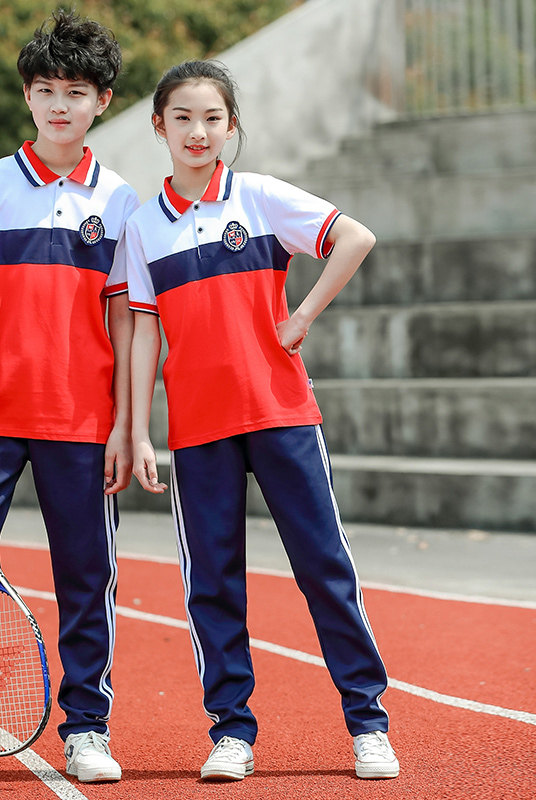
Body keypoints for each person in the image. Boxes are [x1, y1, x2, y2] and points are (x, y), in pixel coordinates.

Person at [125, 60, 399, 782]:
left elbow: (355, 237)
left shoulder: (261, 197)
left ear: (231, 126)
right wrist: (139, 429)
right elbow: (144, 331)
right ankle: (231, 732)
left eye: (212, 118)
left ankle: (368, 724)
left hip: (281, 414)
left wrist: (302, 315)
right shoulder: (142, 226)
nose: (197, 131)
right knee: (212, 584)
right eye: (182, 117)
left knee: (324, 568)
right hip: (198, 429)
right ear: (159, 126)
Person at [0, 10, 138, 788]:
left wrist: (125, 424)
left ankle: (87, 728)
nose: (58, 105)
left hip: (83, 421)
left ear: (102, 101)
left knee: (87, 575)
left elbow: (125, 320)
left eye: (75, 92)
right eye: (45, 90)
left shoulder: (121, 200)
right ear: (27, 97)